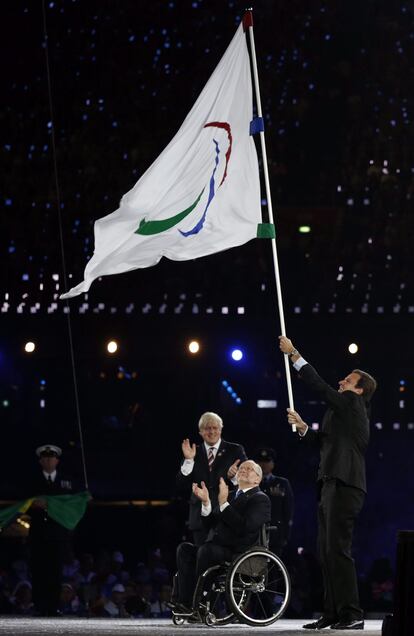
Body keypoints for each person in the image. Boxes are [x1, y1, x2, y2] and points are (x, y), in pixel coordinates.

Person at [279, 335, 377, 631]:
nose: (342, 382)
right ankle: (333, 612)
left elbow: (320, 387)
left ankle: (352, 613)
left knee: (338, 549)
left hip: (346, 484)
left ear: (359, 390)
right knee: (325, 550)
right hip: (331, 482)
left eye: (348, 380)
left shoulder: (352, 403)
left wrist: (295, 354)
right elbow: (323, 443)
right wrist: (303, 428)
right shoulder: (341, 414)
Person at [173, 460, 271, 612]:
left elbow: (245, 527)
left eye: (249, 469)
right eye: (241, 468)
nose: (243, 470)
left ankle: (201, 603)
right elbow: (210, 525)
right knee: (184, 549)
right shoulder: (231, 495)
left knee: (206, 551)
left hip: (240, 552)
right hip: (219, 547)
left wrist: (224, 504)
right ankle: (184, 603)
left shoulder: (260, 498)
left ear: (257, 479)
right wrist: (206, 503)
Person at [176, 411, 247, 545]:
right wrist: (189, 461)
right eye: (207, 428)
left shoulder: (235, 450)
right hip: (199, 517)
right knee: (201, 559)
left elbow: (249, 483)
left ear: (221, 429)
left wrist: (234, 478)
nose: (212, 431)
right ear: (200, 432)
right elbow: (181, 485)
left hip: (226, 515)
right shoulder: (192, 452)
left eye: (215, 428)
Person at [27, 444, 75, 616]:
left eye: (51, 457)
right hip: (39, 533)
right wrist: (34, 504)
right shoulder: (32, 481)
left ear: (57, 460)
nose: (48, 460)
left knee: (55, 570)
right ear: (41, 461)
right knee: (39, 569)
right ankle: (40, 605)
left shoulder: (66, 481)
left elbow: (72, 503)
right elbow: (24, 503)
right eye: (45, 458)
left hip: (57, 534)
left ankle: (53, 606)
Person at [254, 447, 294, 556]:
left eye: (267, 461)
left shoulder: (282, 483)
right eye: (260, 461)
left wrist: (286, 535)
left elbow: (288, 510)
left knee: (274, 569)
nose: (263, 464)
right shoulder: (250, 483)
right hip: (254, 535)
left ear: (273, 464)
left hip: (276, 535)